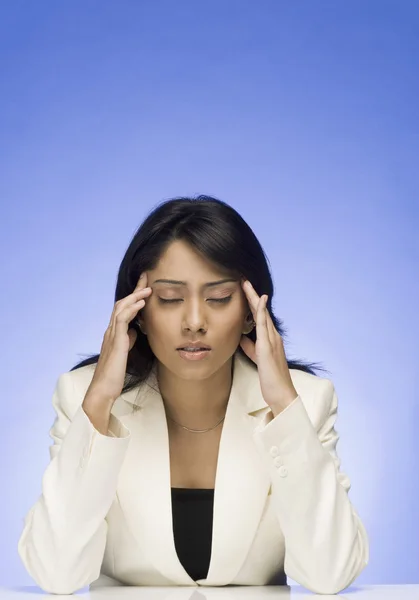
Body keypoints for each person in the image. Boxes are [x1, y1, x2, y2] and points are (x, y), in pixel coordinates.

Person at [18, 194, 369, 595]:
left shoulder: (305, 400)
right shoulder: (83, 396)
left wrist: (284, 407)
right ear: (138, 312)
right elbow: (54, 574)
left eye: (218, 298)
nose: (195, 322)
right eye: (169, 299)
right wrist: (98, 404)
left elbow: (332, 574)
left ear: (252, 312)